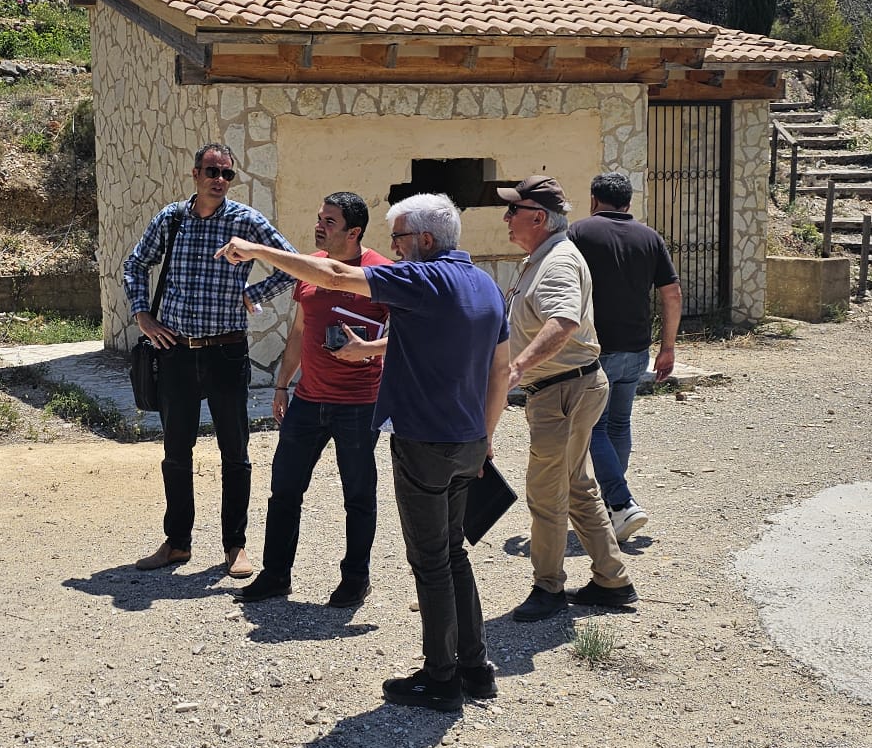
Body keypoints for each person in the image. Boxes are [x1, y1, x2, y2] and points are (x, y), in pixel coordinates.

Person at [218, 193, 510, 712]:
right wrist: (484, 439)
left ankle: (440, 677)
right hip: (468, 443)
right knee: (454, 556)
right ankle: (475, 667)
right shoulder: (485, 285)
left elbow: (334, 276)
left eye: (398, 239)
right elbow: (500, 370)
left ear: (423, 240)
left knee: (431, 564)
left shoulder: (423, 278)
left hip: (425, 443)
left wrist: (258, 250)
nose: (393, 251)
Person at [122, 143, 296, 578]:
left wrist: (250, 295)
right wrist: (143, 315)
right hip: (176, 352)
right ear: (195, 174)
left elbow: (289, 265)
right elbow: (136, 264)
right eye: (212, 171)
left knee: (235, 452)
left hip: (226, 352)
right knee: (175, 452)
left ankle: (235, 547)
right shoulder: (172, 219)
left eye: (227, 174)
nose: (219, 179)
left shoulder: (246, 222)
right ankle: (177, 543)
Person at [235, 193, 392, 609]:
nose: (320, 226)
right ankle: (275, 575)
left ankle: (356, 579)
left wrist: (369, 349)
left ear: (354, 232)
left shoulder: (382, 273)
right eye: (319, 217)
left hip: (359, 404)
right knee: (284, 490)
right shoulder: (309, 268)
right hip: (307, 400)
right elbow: (300, 332)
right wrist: (283, 385)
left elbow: (409, 339)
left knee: (358, 496)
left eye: (330, 221)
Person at [496, 175, 637, 623]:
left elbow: (563, 322)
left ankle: (548, 588)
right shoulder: (542, 257)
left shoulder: (555, 261)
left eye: (513, 210)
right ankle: (612, 580)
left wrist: (519, 367)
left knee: (545, 493)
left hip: (562, 390)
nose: (506, 219)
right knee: (576, 485)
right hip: (565, 388)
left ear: (538, 217)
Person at [567, 171, 682, 543]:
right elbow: (672, 294)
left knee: (594, 430)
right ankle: (615, 508)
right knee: (619, 424)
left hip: (595, 350)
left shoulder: (579, 233)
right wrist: (668, 346)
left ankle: (621, 502)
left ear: (593, 200)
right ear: (628, 203)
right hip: (636, 349)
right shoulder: (650, 237)